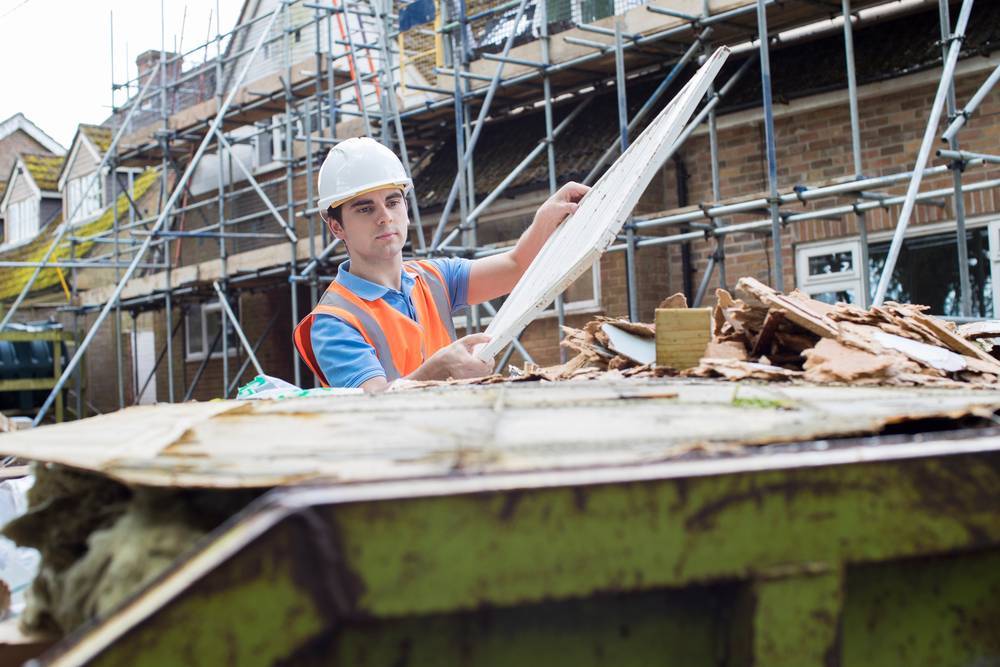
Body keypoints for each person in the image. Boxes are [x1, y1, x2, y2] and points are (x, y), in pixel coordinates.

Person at [294, 137, 589, 391]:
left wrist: (545, 220)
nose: (384, 216)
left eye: (393, 202)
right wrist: (438, 369)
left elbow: (515, 266)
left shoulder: (434, 277)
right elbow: (374, 406)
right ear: (336, 227)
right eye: (365, 208)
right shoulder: (334, 321)